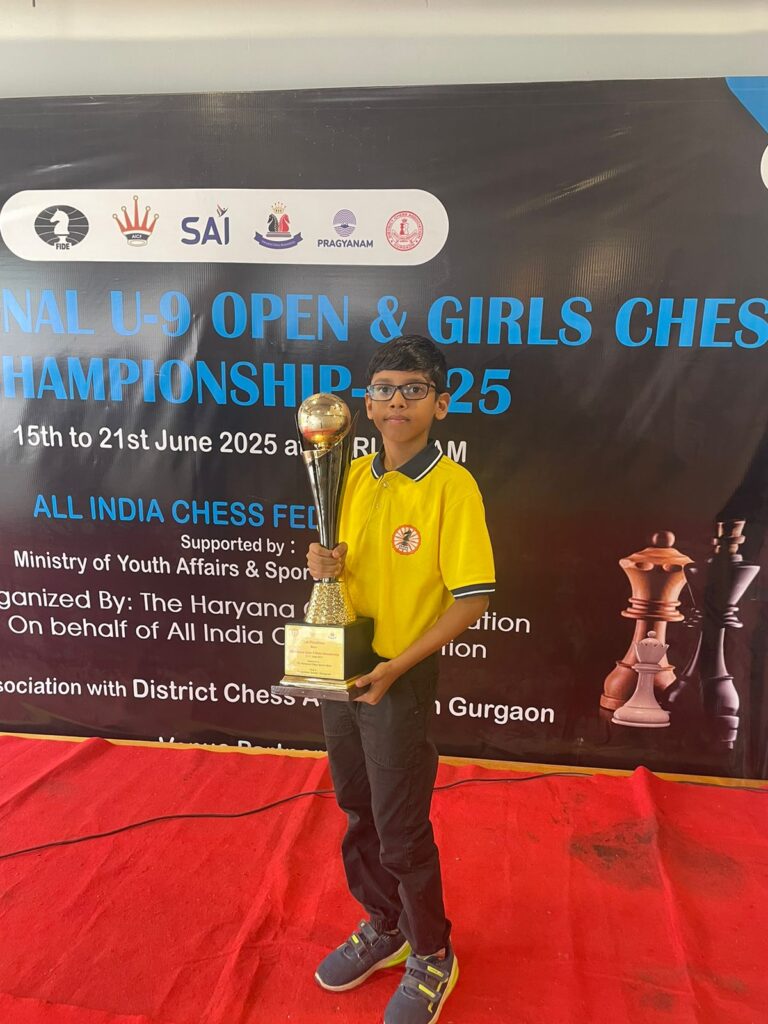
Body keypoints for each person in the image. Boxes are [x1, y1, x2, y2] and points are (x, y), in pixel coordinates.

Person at [307, 334, 495, 1024]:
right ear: (367, 401)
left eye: (413, 390)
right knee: (355, 807)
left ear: (441, 404)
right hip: (344, 665)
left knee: (400, 829)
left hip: (399, 679)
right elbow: (341, 562)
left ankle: (432, 952)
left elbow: (471, 598)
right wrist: (322, 566)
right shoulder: (352, 474)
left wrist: (395, 669)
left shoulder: (452, 487)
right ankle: (385, 923)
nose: (395, 402)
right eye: (383, 388)